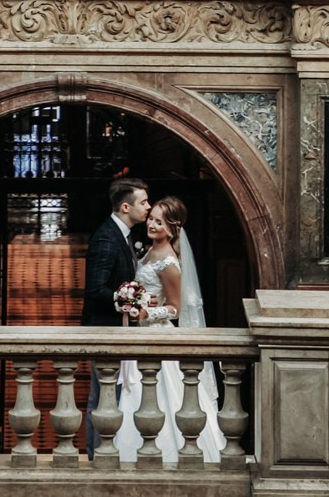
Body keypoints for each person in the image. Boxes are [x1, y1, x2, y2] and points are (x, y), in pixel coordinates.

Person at [115, 196, 224, 466]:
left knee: (160, 397)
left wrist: (146, 312)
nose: (152, 225)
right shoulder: (148, 252)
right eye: (151, 218)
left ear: (173, 228)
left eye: (159, 222)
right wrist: (131, 300)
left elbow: (175, 308)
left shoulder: (169, 263)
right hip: (139, 333)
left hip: (156, 334)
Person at [81, 176, 150, 459]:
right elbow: (95, 289)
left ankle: (103, 451)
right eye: (143, 202)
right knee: (102, 398)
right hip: (104, 330)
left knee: (109, 395)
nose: (148, 207)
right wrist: (128, 300)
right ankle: (97, 454)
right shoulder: (107, 238)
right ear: (125, 207)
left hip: (117, 329)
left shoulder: (124, 235)